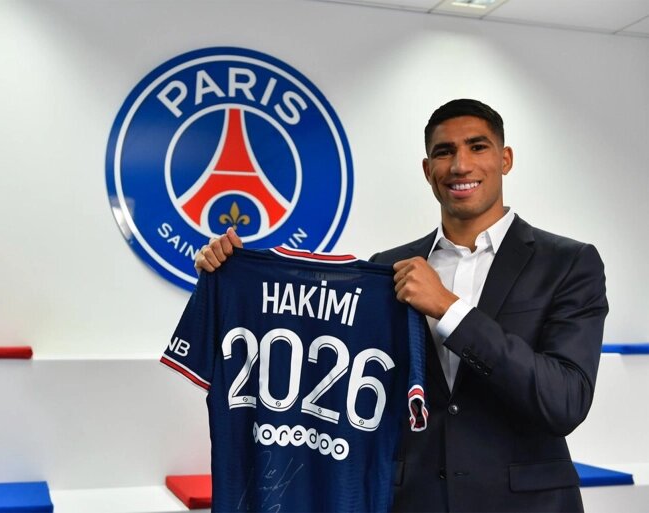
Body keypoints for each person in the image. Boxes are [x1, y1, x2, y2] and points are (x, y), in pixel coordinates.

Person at [194, 99, 608, 512]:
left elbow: (565, 401)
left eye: (477, 147)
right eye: (444, 152)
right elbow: (330, 369)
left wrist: (449, 309)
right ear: (428, 170)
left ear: (505, 159)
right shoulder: (387, 268)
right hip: (409, 502)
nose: (460, 165)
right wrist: (235, 274)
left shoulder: (569, 263)